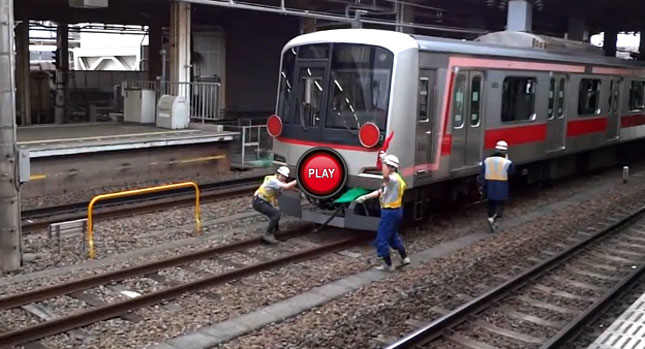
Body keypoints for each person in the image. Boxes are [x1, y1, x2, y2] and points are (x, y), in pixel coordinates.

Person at [356, 153, 410, 271]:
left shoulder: (393, 180)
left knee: (382, 239)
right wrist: (365, 197)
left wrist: (383, 159)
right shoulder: (396, 179)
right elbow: (381, 191)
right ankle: (404, 258)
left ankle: (389, 265)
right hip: (395, 211)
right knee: (392, 236)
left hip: (389, 212)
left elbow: (385, 177)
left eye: (385, 166)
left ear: (391, 167)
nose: (382, 168)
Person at [252, 166, 298, 244]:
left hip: (261, 201)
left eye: (285, 177)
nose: (283, 178)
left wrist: (298, 191)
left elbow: (288, 186)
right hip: (259, 202)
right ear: (278, 174)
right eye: (282, 176)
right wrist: (299, 180)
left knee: (274, 213)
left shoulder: (277, 180)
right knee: (275, 215)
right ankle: (268, 234)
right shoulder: (273, 180)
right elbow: (286, 186)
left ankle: (276, 232)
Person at [479, 140, 515, 233]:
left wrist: (481, 185)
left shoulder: (487, 160)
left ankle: (490, 216)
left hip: (489, 184)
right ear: (505, 151)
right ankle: (494, 217)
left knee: (490, 202)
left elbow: (482, 173)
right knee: (500, 203)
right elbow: (512, 173)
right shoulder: (507, 162)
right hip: (501, 185)